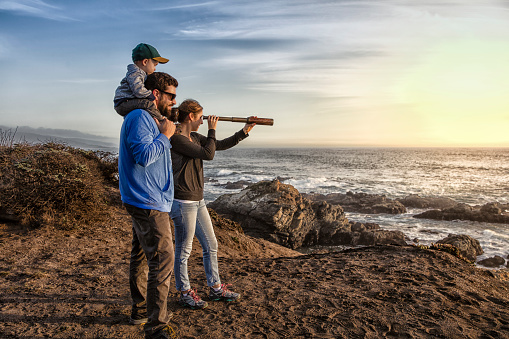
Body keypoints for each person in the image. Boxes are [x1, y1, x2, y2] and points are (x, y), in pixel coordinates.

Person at [170, 99, 256, 309]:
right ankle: (184, 292)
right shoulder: (176, 139)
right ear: (191, 117)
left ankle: (216, 288)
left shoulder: (194, 136)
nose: (203, 120)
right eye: (201, 117)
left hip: (198, 200)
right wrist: (212, 129)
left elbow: (217, 146)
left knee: (211, 245)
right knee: (184, 250)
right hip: (182, 201)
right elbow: (208, 154)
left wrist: (244, 131)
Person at [118, 71, 178, 339]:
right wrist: (165, 136)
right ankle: (156, 327)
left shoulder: (149, 117)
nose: (174, 101)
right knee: (162, 260)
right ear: (156, 94)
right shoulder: (141, 117)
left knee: (142, 255)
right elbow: (143, 156)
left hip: (144, 198)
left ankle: (141, 310)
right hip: (147, 201)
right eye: (171, 96)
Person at [114, 43, 169, 120]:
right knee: (149, 104)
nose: (155, 69)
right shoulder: (137, 73)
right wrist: (150, 96)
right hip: (123, 102)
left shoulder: (138, 73)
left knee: (146, 105)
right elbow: (138, 90)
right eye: (155, 65)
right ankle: (160, 120)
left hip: (125, 102)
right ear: (145, 62)